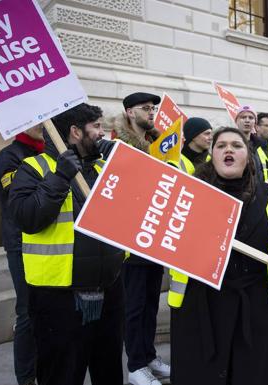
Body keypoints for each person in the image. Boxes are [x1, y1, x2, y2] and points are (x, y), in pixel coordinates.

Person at [8, 103, 125, 385]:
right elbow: (27, 218)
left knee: (109, 371)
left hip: (109, 289)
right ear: (75, 132)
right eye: (96, 127)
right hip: (58, 297)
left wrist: (123, 166)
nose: (103, 133)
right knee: (62, 374)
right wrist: (60, 178)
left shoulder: (102, 167)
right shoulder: (34, 168)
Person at [169, 127, 268, 385]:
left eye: (236, 145)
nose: (228, 150)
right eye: (221, 145)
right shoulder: (191, 192)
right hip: (202, 305)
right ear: (211, 154)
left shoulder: (266, 193)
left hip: (254, 304)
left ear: (247, 155)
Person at [114, 92, 170, 385]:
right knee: (134, 305)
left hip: (154, 236)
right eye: (145, 108)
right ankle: (135, 366)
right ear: (128, 112)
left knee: (150, 303)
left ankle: (148, 357)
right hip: (129, 238)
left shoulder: (159, 146)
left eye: (153, 108)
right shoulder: (115, 145)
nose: (151, 113)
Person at [0, 125, 44, 385]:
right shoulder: (9, 156)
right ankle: (26, 378)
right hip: (20, 244)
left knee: (46, 310)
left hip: (47, 243)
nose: (44, 126)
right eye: (38, 121)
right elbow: (16, 192)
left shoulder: (51, 151)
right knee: (27, 311)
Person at [235, 105, 268, 181]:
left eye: (251, 118)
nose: (247, 120)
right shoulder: (230, 144)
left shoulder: (260, 146)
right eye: (243, 117)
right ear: (236, 121)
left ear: (255, 122)